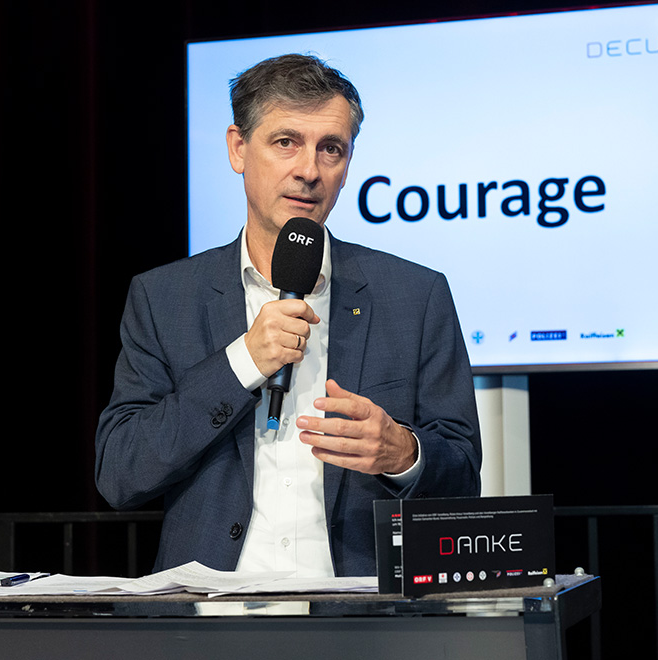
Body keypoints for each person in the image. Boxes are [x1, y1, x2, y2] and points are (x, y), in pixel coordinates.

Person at [95, 54, 481, 577]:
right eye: (286, 142)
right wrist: (241, 363)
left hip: (360, 609)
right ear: (238, 148)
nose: (309, 170)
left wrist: (403, 453)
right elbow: (120, 474)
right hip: (211, 608)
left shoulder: (416, 295)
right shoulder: (164, 298)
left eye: (331, 148)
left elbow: (463, 475)